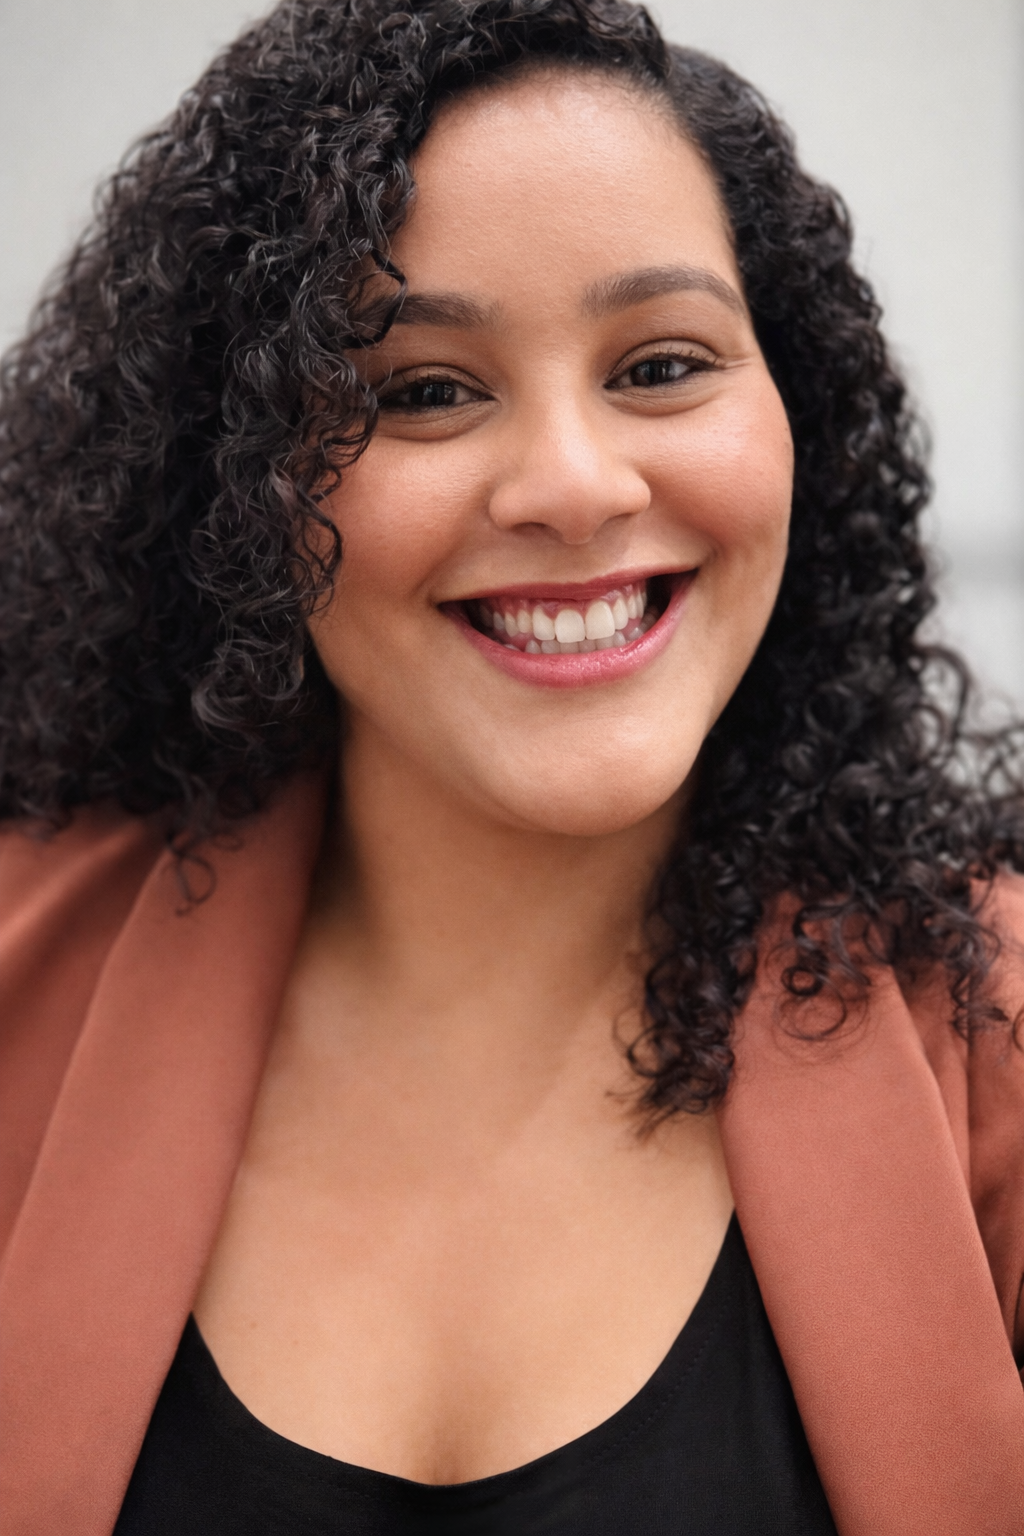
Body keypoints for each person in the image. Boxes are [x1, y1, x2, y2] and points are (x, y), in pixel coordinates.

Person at [0, 0, 1022, 1531]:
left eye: (664, 363)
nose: (573, 484)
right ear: (237, 480)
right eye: (424, 390)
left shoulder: (998, 1031)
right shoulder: (19, 978)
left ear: (793, 408)